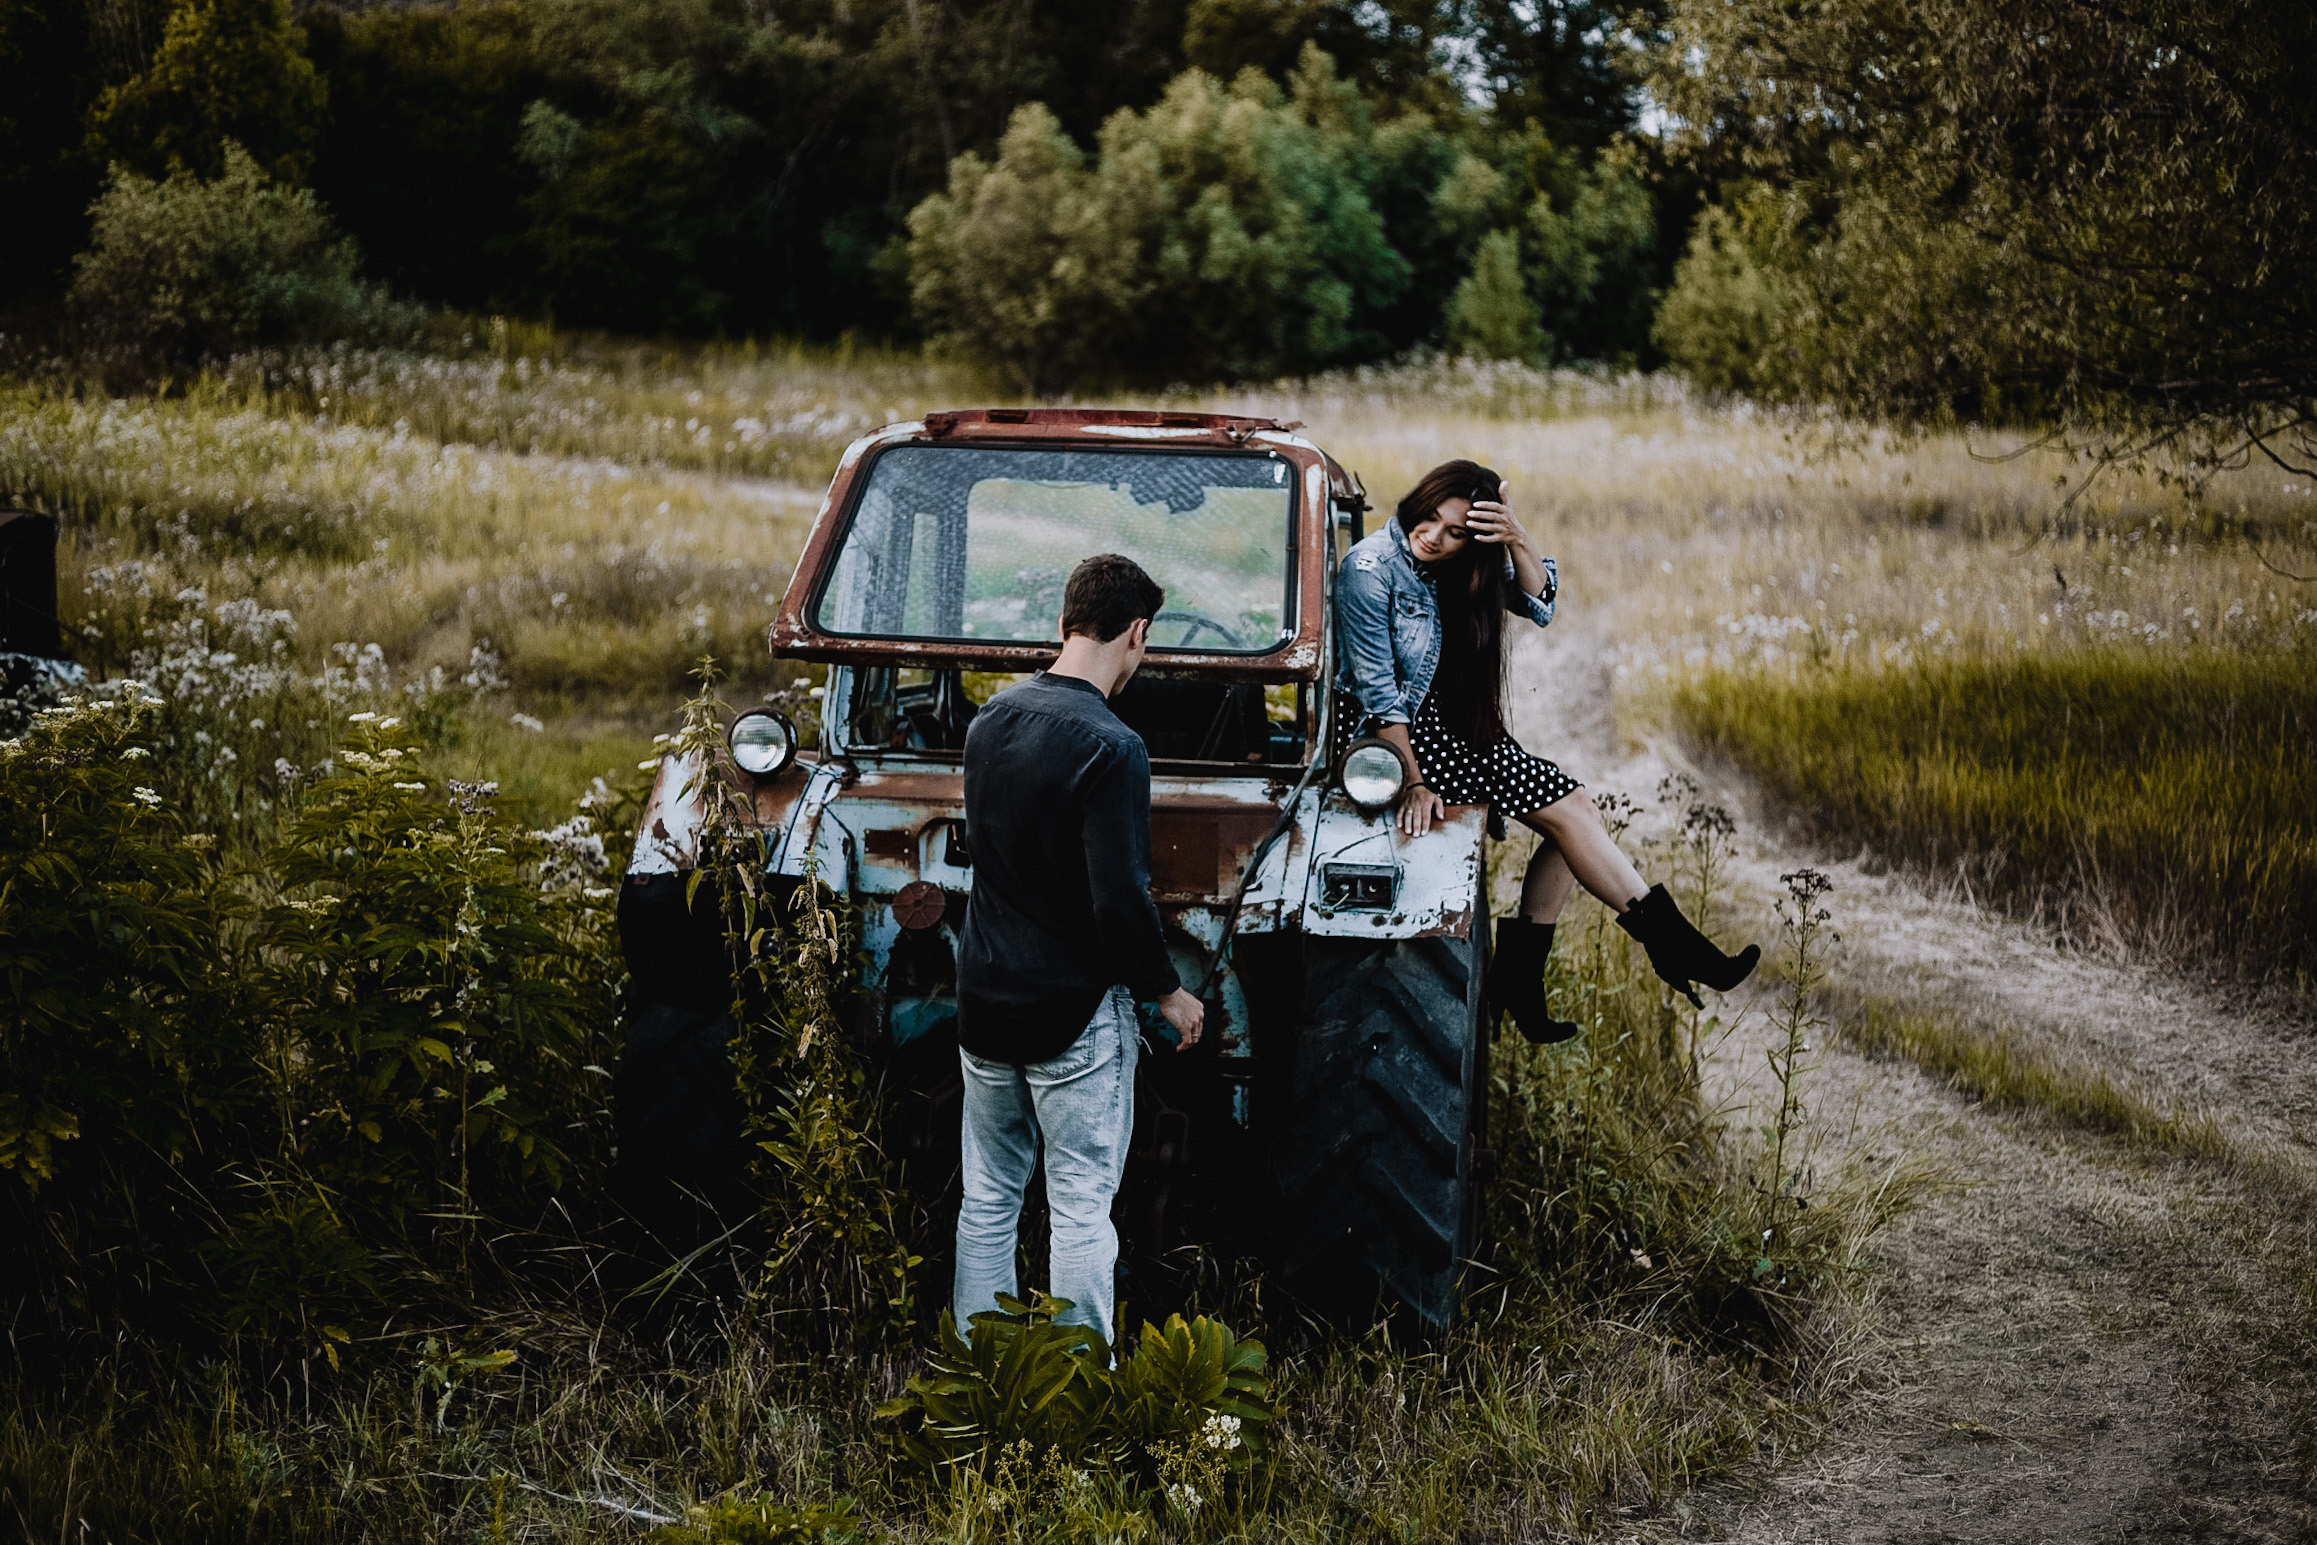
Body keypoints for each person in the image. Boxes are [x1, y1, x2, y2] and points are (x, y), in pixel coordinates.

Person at [1334, 459, 1759, 1041]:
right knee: (1570, 814)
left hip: (1453, 733)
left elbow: (1540, 602)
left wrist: (1515, 536)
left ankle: (1528, 979)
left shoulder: (1457, 567)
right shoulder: (1370, 568)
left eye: (1456, 531)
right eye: (1429, 518)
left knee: (1575, 812)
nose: (1433, 536)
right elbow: (1380, 694)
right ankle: (1678, 956)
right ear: (1415, 503)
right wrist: (1411, 780)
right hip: (1396, 740)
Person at [952, 552, 1207, 1347]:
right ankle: (1077, 1387)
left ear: (1062, 622)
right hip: (1070, 1014)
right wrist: (1166, 989)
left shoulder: (989, 720)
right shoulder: (1113, 744)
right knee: (1079, 1208)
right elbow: (1116, 897)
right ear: (1137, 633)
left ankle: (978, 1367)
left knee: (987, 1197)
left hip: (984, 1001)